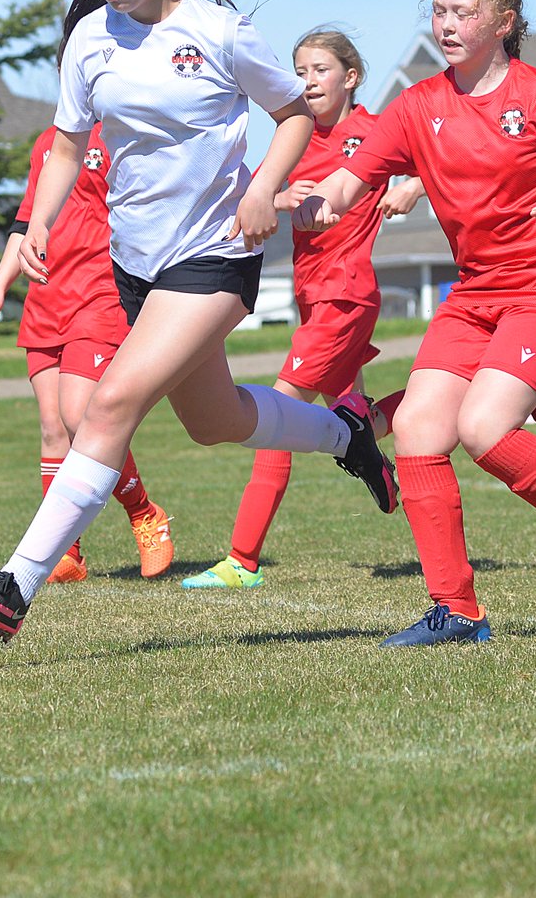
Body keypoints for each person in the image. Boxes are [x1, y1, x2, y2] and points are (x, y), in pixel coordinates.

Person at [0, 0, 396, 642]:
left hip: (216, 254)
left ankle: (15, 585)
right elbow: (65, 146)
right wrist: (35, 228)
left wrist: (263, 189)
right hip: (137, 263)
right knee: (214, 421)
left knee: (112, 403)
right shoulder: (90, 38)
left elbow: (291, 113)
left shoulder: (219, 31)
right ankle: (345, 434)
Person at [294, 0, 536, 645]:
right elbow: (355, 175)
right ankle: (456, 611)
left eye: (463, 11)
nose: (447, 24)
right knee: (423, 433)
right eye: (439, 10)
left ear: (504, 22)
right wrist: (320, 203)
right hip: (475, 293)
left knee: (485, 430)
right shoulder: (418, 105)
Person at [182, 29, 424, 590]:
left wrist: (412, 185)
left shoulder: (371, 132)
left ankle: (241, 561)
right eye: (300, 70)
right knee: (354, 414)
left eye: (320, 69)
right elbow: (255, 196)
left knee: (277, 414)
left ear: (351, 78)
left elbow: (442, 162)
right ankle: (439, 408)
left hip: (346, 295)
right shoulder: (292, 138)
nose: (307, 80)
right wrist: (278, 197)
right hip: (311, 297)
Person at [0, 122, 173, 585]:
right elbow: (25, 224)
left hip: (101, 294)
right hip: (46, 297)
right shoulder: (47, 141)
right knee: (52, 430)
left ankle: (145, 513)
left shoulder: (124, 132)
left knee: (78, 415)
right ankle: (68, 552)